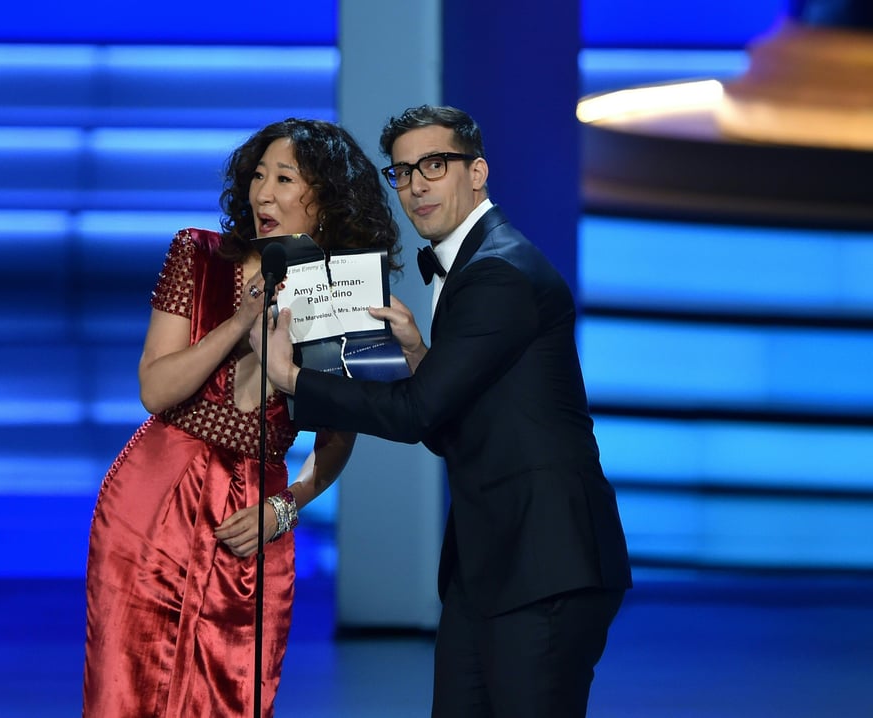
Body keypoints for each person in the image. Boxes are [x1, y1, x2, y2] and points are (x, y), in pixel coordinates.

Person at [254, 105, 633, 717]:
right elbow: (456, 423)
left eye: (434, 165)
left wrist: (290, 378)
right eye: (402, 172)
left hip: (544, 564)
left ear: (477, 172)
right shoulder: (473, 268)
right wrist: (421, 355)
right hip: (490, 565)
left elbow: (415, 416)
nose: (416, 185)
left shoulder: (500, 273)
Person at [82, 118, 401, 717]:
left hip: (253, 513)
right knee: (127, 692)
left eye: (284, 178)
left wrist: (287, 506)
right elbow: (154, 388)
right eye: (258, 176)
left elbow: (338, 438)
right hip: (154, 500)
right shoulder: (198, 254)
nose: (263, 194)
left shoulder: (347, 296)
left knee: (236, 693)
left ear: (326, 201)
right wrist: (236, 325)